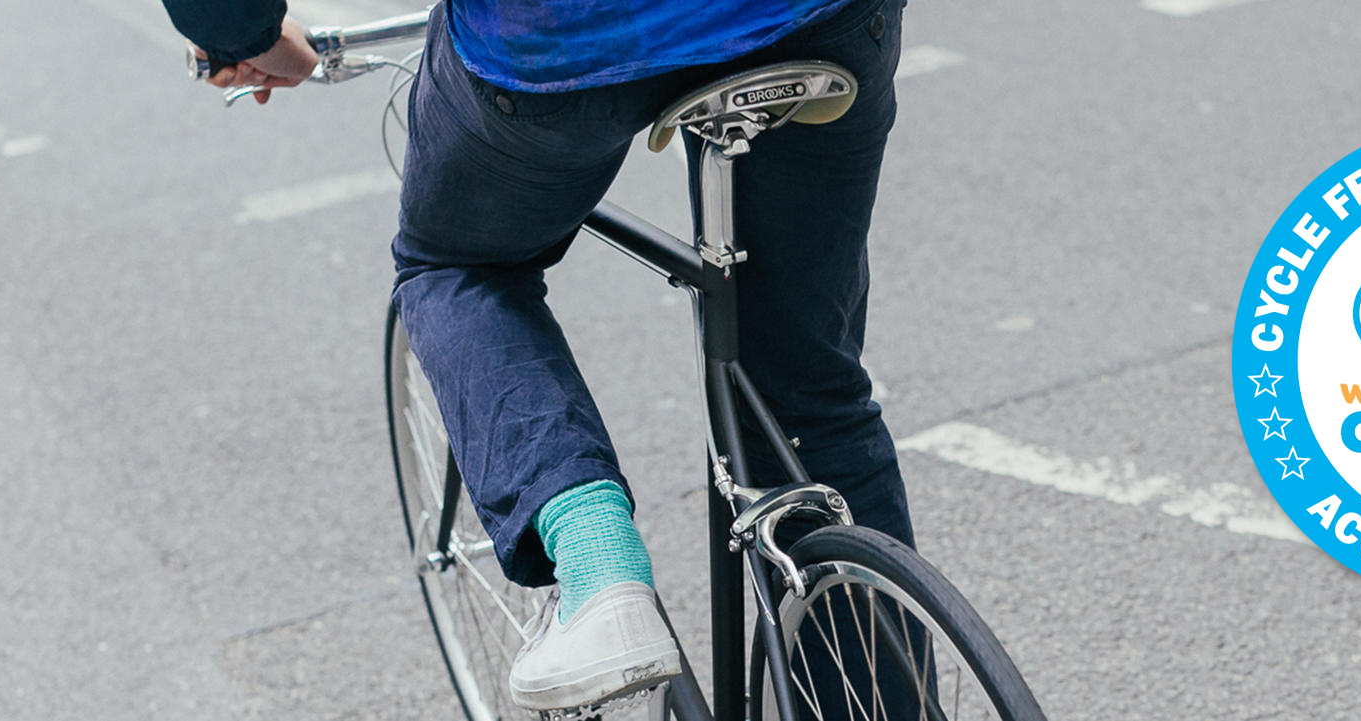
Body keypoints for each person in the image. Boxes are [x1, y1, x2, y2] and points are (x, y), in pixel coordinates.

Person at [162, 0, 911, 712]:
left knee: (455, 263)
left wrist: (247, 37)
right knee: (808, 396)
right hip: (824, 20)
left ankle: (595, 563)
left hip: (561, 36)